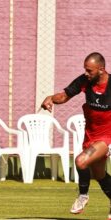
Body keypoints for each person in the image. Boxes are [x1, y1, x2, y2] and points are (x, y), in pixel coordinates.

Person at [41, 52, 111, 219]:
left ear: (101, 69)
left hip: (107, 136)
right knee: (100, 175)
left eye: (90, 70)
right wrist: (51, 98)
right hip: (91, 135)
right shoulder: (85, 81)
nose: (86, 73)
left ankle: (83, 195)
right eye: (85, 70)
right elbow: (64, 96)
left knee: (80, 161)